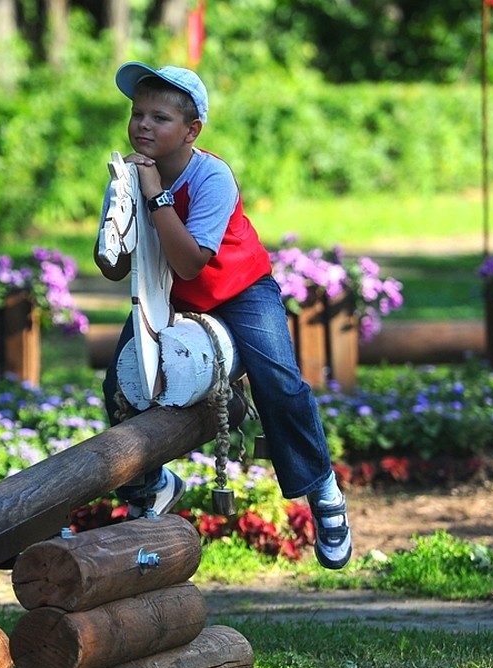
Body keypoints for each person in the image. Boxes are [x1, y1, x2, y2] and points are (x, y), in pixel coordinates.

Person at [94, 63, 352, 570]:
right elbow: (115, 267)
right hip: (169, 293)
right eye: (137, 114)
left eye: (160, 118)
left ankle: (321, 489)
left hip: (238, 289)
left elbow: (193, 260)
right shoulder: (127, 176)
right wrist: (118, 218)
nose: (144, 126)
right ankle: (152, 483)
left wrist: (154, 195)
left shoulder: (212, 177)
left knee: (278, 381)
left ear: (192, 131)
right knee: (120, 383)